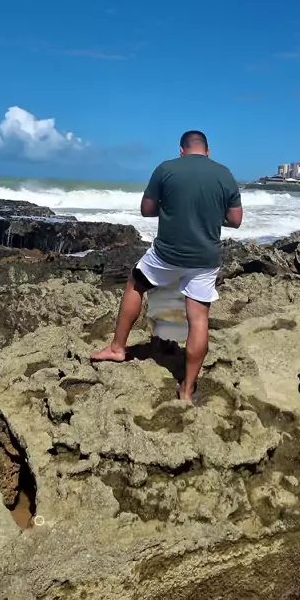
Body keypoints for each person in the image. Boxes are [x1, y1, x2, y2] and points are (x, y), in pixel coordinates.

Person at [91, 131, 243, 401]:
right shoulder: (224, 173)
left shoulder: (166, 168)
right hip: (205, 258)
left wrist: (173, 209)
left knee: (136, 284)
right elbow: (235, 220)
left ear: (182, 150)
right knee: (198, 318)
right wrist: (208, 215)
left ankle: (117, 349)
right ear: (207, 151)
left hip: (167, 254)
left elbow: (147, 210)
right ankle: (187, 389)